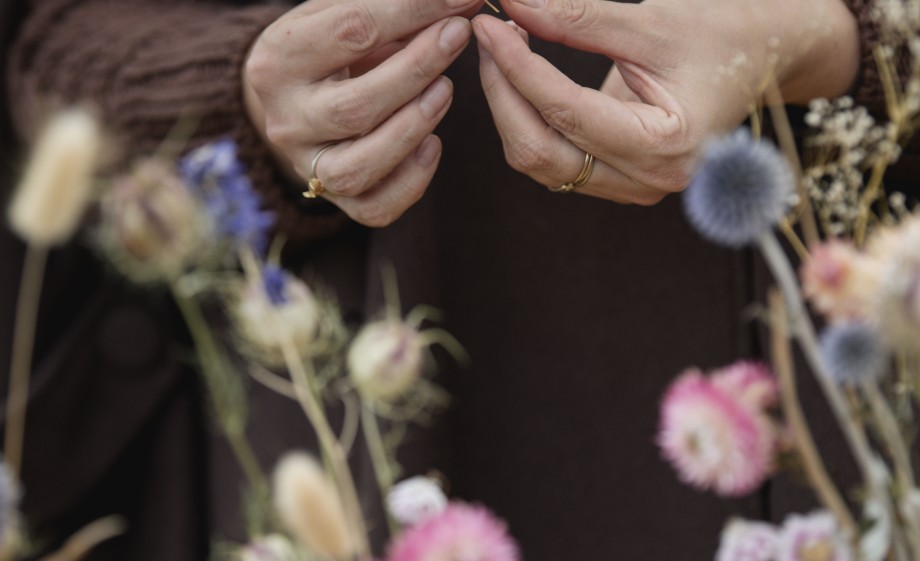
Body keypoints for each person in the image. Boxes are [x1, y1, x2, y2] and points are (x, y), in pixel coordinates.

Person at [0, 0, 906, 560]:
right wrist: (241, 93)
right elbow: (48, 41)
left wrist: (832, 41)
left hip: (830, 382)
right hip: (346, 398)